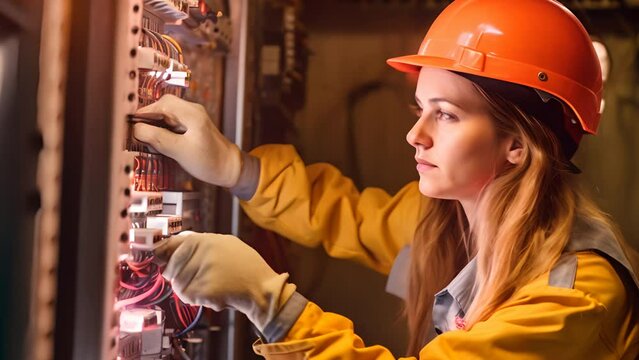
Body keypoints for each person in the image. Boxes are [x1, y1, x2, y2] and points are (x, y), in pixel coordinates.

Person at [133, 0, 639, 358]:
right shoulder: (452, 222)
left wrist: (270, 303)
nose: (414, 135)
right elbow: (346, 216)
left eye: (445, 115)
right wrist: (232, 168)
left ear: (517, 145)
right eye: (421, 109)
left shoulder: (573, 297)